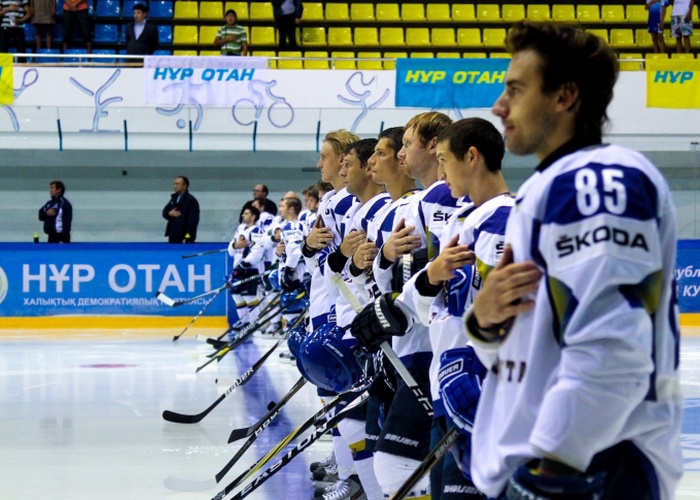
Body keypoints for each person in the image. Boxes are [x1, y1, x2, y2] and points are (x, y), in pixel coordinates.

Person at [461, 21, 682, 499]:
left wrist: (555, 469)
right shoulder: (552, 186)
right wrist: (484, 323)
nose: (499, 106)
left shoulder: (596, 182)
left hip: (595, 469)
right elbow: (536, 350)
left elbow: (613, 349)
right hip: (565, 462)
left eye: (515, 90)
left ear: (563, 96)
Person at [162, 176, 200, 243]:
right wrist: (169, 213)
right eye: (174, 184)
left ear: (184, 186)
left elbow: (193, 222)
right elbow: (165, 212)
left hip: (184, 238)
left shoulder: (191, 201)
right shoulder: (174, 199)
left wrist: (187, 237)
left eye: (177, 184)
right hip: (173, 236)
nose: (175, 186)